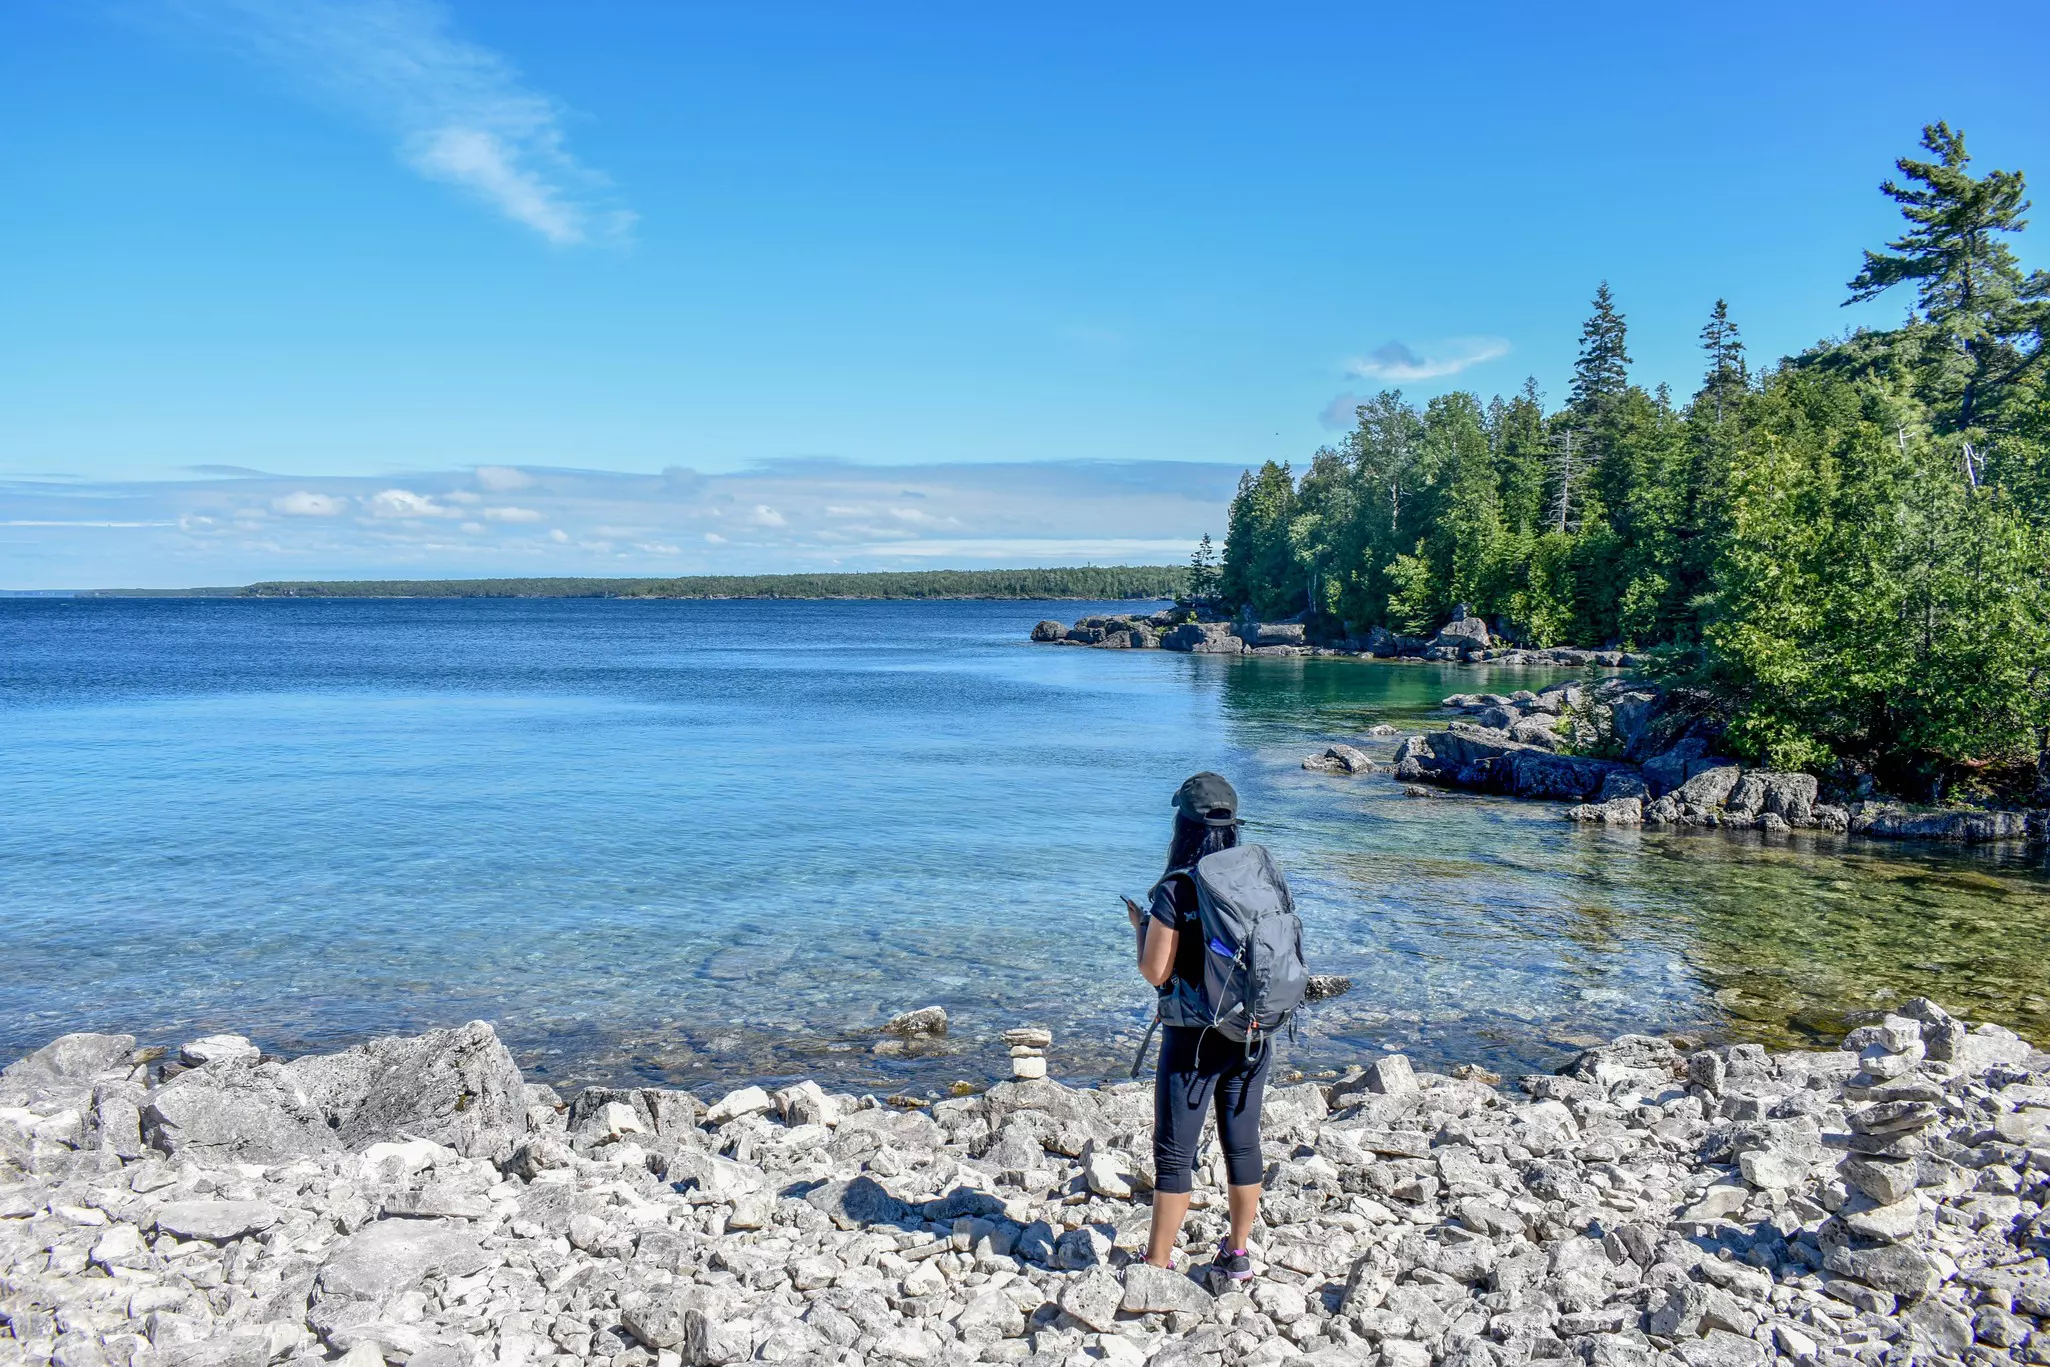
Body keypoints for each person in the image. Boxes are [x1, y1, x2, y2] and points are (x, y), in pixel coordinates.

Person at [1124, 771, 1269, 1280]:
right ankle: (1237, 1253)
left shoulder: (1177, 887)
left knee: (1174, 1154)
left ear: (1182, 826)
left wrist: (1141, 928)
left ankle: (1157, 1264)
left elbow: (1155, 972)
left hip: (1193, 1039)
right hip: (1253, 1031)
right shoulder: (1257, 876)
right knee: (1243, 1143)